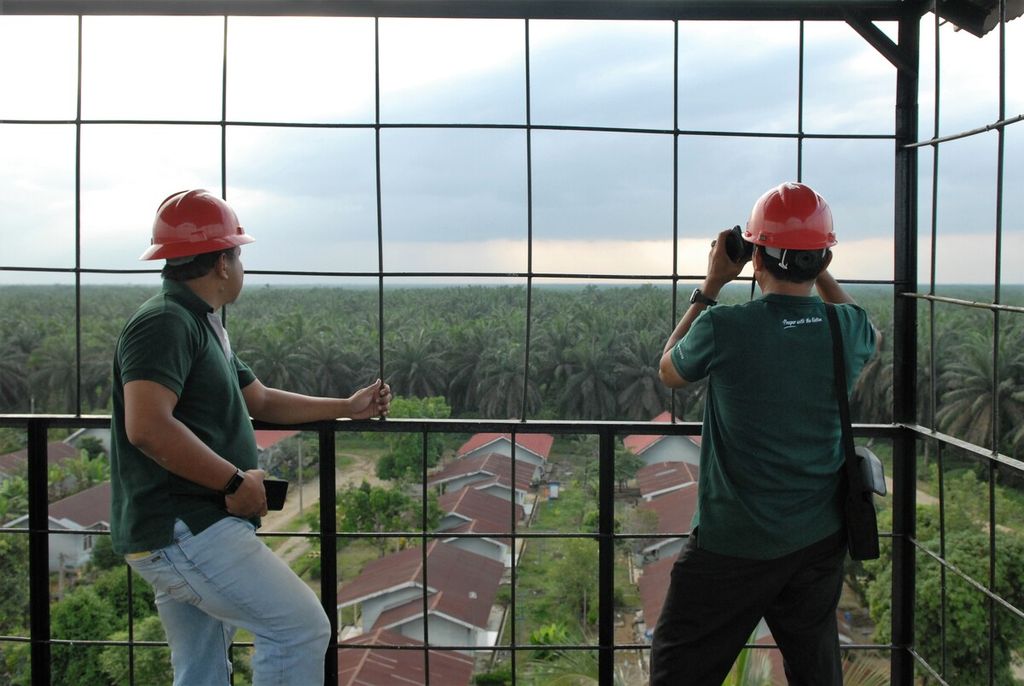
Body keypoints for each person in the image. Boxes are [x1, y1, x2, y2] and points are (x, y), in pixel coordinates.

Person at [109, 189, 392, 686]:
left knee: (200, 669)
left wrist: (347, 409)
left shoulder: (200, 323)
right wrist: (235, 481)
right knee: (299, 629)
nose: (242, 267)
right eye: (238, 255)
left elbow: (258, 399)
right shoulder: (164, 322)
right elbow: (148, 427)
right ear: (222, 262)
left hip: (184, 527)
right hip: (185, 527)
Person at [650, 182, 880, 685]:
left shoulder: (728, 326)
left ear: (756, 258)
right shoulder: (846, 328)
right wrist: (815, 265)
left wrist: (709, 287)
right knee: (815, 671)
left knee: (678, 668)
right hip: (818, 538)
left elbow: (668, 369)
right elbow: (866, 325)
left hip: (733, 543)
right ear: (822, 257)